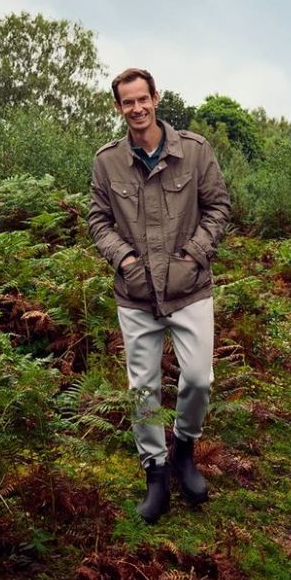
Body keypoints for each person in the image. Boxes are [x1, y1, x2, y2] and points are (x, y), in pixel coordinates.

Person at [88, 68, 231, 523]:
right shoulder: (106, 162)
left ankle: (184, 448)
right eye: (127, 102)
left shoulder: (194, 150)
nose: (136, 109)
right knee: (143, 390)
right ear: (118, 107)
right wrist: (125, 261)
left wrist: (194, 256)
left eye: (142, 99)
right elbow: (98, 221)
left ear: (156, 98)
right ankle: (155, 471)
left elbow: (218, 207)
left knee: (198, 379)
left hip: (190, 289)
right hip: (135, 295)